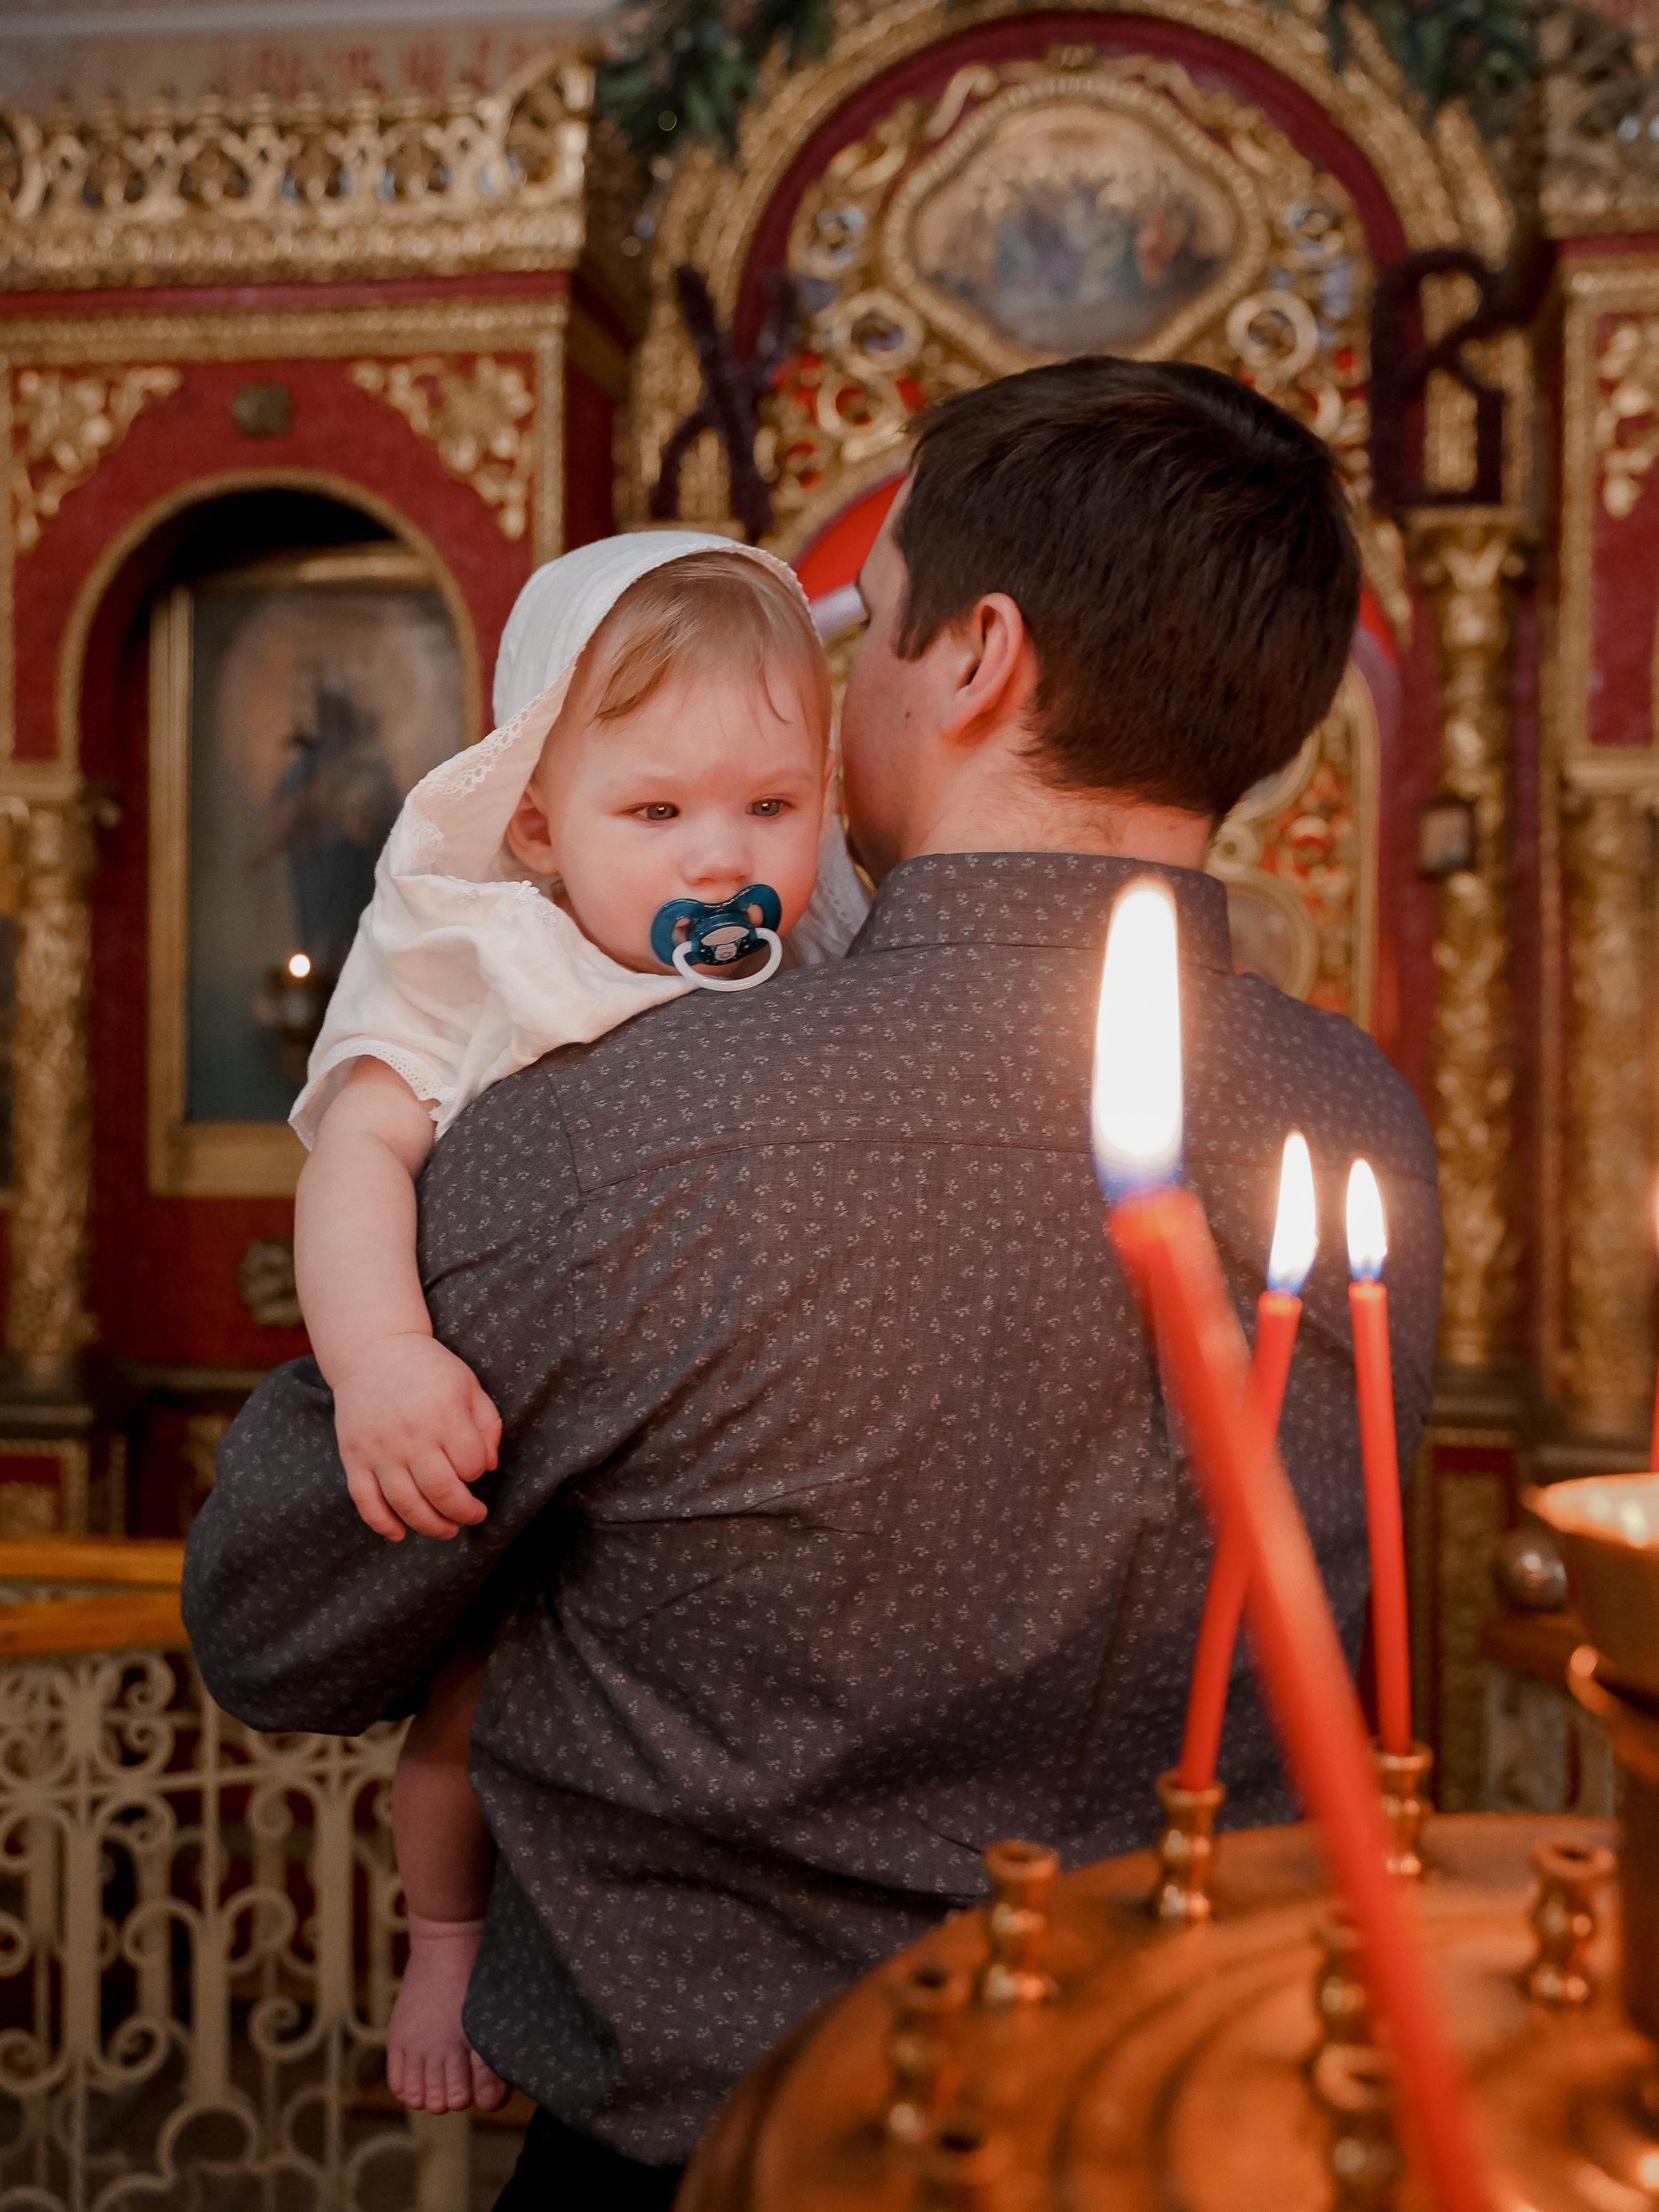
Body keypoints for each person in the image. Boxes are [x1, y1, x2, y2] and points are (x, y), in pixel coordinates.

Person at [183, 356, 1443, 2211]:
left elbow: (279, 1614)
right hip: (1202, 2120)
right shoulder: (1362, 1119)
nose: (835, 666)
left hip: (717, 2141)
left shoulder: (616, 1124)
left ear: (978, 655)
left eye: (875, 608)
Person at [285, 535, 865, 2117]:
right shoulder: (478, 958)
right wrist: (381, 1360)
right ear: (535, 817)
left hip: (710, 1474)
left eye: (772, 805)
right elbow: (357, 1153)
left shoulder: (816, 968)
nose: (718, 858)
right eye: (656, 812)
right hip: (500, 1441)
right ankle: (445, 1940)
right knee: (467, 1705)